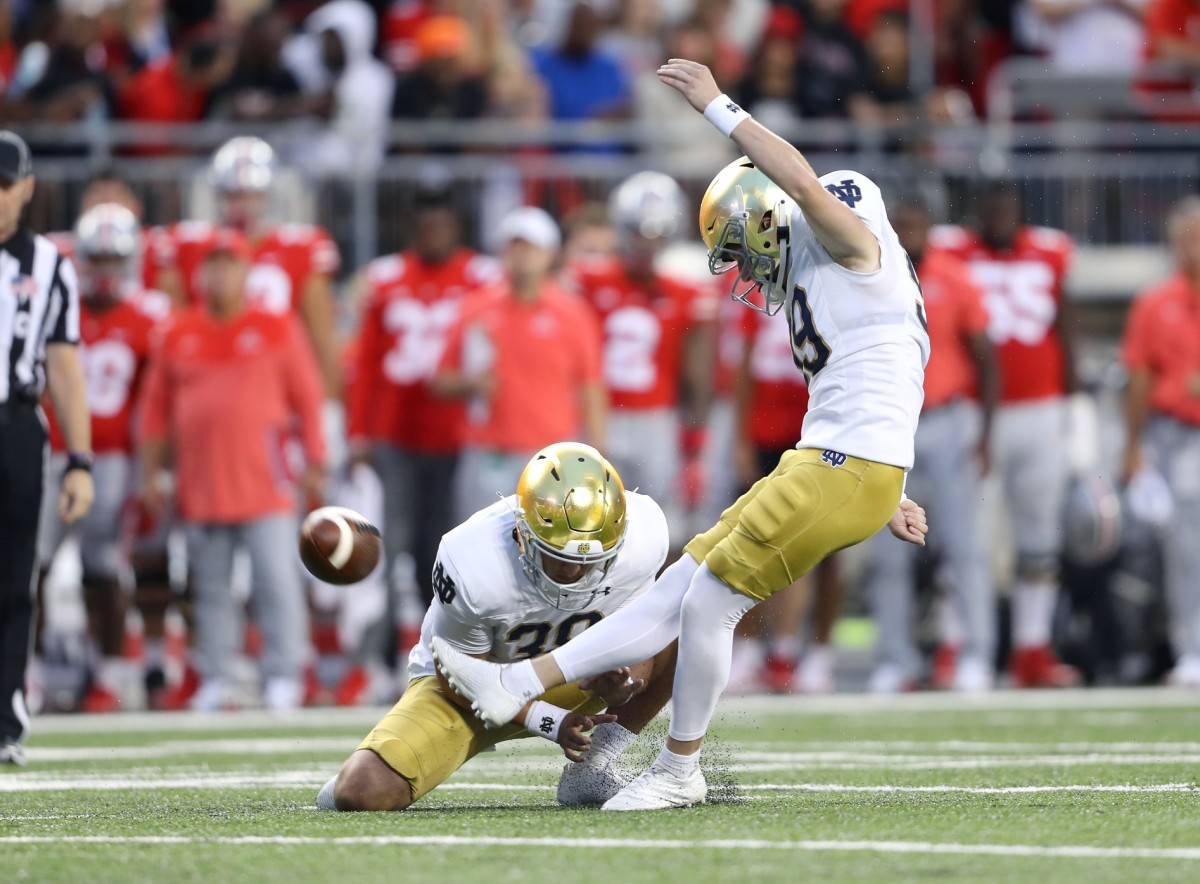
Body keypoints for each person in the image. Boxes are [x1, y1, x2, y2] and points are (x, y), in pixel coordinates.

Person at [432, 58, 929, 811]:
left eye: (741, 245)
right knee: (682, 583)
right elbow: (870, 383)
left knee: (711, 601)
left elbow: (799, 182)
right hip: (842, 462)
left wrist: (718, 107)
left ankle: (678, 769)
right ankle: (519, 684)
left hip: (847, 465)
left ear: (771, 217)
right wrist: (888, 487)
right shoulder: (832, 285)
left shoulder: (855, 249)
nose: (743, 268)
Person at [317, 441, 678, 811]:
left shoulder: (643, 537)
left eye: (589, 562)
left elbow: (641, 627)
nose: (572, 573)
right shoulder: (473, 561)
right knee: (362, 792)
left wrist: (624, 681)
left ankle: (595, 768)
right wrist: (546, 719)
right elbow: (457, 674)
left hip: (569, 674)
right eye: (555, 556)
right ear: (522, 531)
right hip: (467, 687)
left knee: (679, 616)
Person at [137, 228, 326, 711]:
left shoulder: (277, 325)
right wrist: (150, 473)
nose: (220, 273)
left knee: (275, 580)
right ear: (200, 273)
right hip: (202, 483)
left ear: (247, 271)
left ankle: (283, 673)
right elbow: (155, 411)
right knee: (210, 586)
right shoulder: (178, 331)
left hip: (266, 480)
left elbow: (307, 396)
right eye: (213, 264)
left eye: (230, 264)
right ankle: (218, 674)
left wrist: (317, 459)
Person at [346, 182, 500, 694]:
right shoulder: (386, 278)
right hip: (396, 434)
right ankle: (386, 656)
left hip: (459, 437)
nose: (433, 233)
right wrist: (358, 431)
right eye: (425, 225)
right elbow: (364, 362)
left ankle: (450, 652)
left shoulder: (481, 278)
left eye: (442, 224)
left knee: (451, 549)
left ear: (456, 229)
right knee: (392, 546)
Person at [928, 181, 1082, 688]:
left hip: (1040, 408)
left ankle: (1031, 648)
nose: (999, 216)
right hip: (975, 412)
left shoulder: (1051, 252)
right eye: (990, 208)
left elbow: (1065, 323)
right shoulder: (951, 251)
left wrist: (1073, 400)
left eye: (1007, 207)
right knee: (966, 535)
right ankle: (956, 644)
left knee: (1039, 535)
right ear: (976, 213)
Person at [865, 198, 999, 694]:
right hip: (889, 427)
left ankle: (977, 654)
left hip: (947, 420)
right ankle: (895, 658)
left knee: (965, 547)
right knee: (890, 553)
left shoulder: (956, 277)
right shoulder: (869, 274)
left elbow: (986, 358)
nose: (907, 233)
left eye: (914, 225)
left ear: (930, 228)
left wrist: (986, 434)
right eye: (899, 226)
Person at [36, 203, 164, 713]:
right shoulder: (58, 307)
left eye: (116, 259)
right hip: (52, 452)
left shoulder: (150, 315)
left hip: (113, 459)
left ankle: (109, 672)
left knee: (103, 567)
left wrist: (153, 466)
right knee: (32, 566)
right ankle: (32, 673)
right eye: (98, 259)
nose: (106, 270)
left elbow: (155, 401)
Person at [0, 131, 94, 765]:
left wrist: (80, 460)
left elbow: (63, 365)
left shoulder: (49, 263)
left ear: (27, 187)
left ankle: (5, 706)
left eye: (4, 185)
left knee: (12, 577)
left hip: (14, 424)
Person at [431, 206, 606, 521]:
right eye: (515, 246)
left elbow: (591, 387)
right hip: (489, 450)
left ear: (550, 254)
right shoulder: (476, 309)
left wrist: (596, 456)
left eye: (531, 247)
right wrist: (470, 384)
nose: (523, 255)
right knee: (481, 543)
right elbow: (440, 380)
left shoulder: (572, 314)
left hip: (552, 455)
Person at [571, 171, 716, 550]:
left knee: (659, 531)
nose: (645, 244)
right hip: (599, 417)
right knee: (589, 526)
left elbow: (697, 376)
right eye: (638, 232)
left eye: (655, 234)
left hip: (656, 422)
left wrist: (695, 445)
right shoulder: (586, 280)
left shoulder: (685, 292)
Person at [1121, 196, 1200, 687]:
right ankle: (1191, 646)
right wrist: (1132, 446)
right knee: (1186, 547)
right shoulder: (1156, 301)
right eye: (1186, 238)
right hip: (1177, 433)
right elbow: (1141, 378)